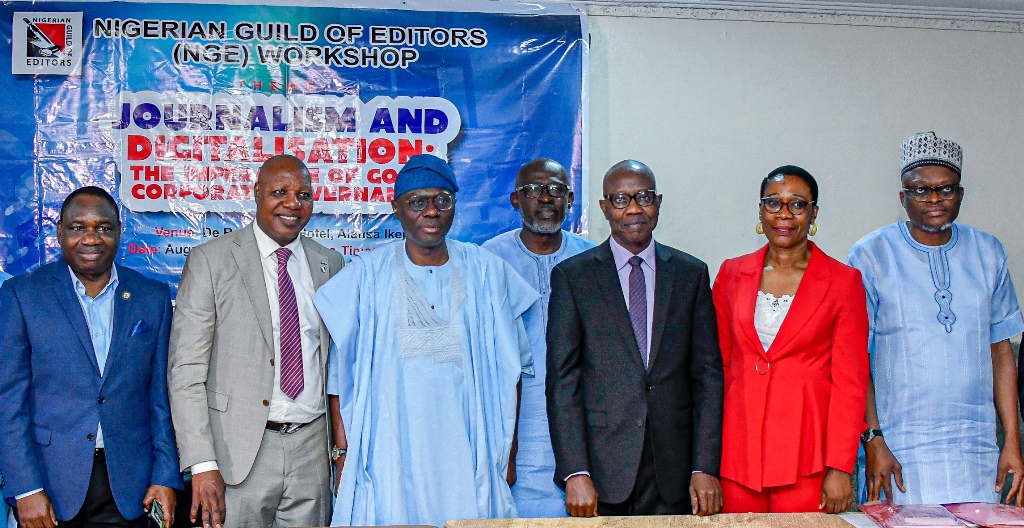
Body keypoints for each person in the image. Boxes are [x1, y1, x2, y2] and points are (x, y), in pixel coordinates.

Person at [314, 154, 539, 527]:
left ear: (454, 206)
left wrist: (508, 454)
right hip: (390, 447)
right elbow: (340, 375)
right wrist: (342, 455)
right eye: (418, 202)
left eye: (442, 200)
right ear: (397, 209)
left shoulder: (487, 271)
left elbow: (513, 369)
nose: (431, 211)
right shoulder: (368, 276)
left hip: (470, 446)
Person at [168, 155, 344, 528]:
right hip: (238, 454)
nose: (292, 204)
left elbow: (337, 367)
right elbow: (185, 371)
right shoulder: (211, 261)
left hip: (311, 449)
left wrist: (339, 453)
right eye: (279, 192)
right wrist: (202, 464)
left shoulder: (329, 264)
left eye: (304, 194)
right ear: (256, 194)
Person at [849, 132, 1024, 505]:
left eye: (945, 190)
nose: (933, 200)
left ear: (960, 194)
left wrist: (1011, 440)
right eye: (920, 190)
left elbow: (1001, 351)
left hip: (976, 445)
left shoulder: (988, 252)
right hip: (899, 444)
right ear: (902, 197)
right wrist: (873, 438)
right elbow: (855, 356)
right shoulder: (872, 255)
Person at [546, 160, 725, 517]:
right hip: (601, 470)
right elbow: (563, 382)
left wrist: (704, 466)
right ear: (604, 208)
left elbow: (707, 376)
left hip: (675, 471)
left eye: (643, 197)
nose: (633, 209)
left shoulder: (691, 273)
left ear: (658, 202)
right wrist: (575, 471)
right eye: (620, 199)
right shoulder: (574, 277)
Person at [0, 187, 181, 528]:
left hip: (131, 486)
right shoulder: (22, 296)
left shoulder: (150, 296)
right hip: (49, 484)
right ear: (59, 231)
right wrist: (25, 489)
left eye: (103, 227)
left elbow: (160, 398)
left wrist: (166, 475)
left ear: (119, 231)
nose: (91, 238)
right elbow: (9, 402)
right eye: (78, 227)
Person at [712, 166, 869, 513]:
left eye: (797, 204)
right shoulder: (731, 273)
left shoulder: (843, 282)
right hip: (738, 452)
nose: (784, 213)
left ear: (813, 213)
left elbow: (850, 383)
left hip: (806, 456)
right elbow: (717, 367)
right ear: (760, 210)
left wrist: (840, 467)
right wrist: (705, 459)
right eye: (774, 203)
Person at [482, 158, 596, 517]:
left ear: (570, 199)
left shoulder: (591, 259)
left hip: (583, 415)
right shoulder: (489, 261)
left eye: (556, 189)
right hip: (515, 419)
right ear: (516, 200)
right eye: (533, 190)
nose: (545, 198)